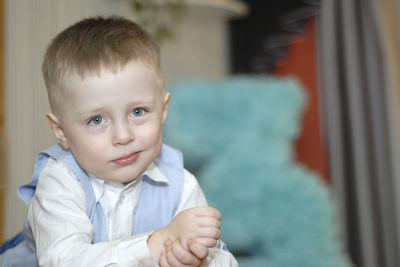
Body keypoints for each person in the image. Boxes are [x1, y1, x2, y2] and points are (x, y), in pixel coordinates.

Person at [0, 16, 238, 266]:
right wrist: (154, 244)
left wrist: (197, 258)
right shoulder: (61, 180)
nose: (123, 136)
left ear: (163, 110)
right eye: (96, 120)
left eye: (138, 112)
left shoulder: (181, 185)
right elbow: (62, 259)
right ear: (61, 131)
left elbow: (220, 258)